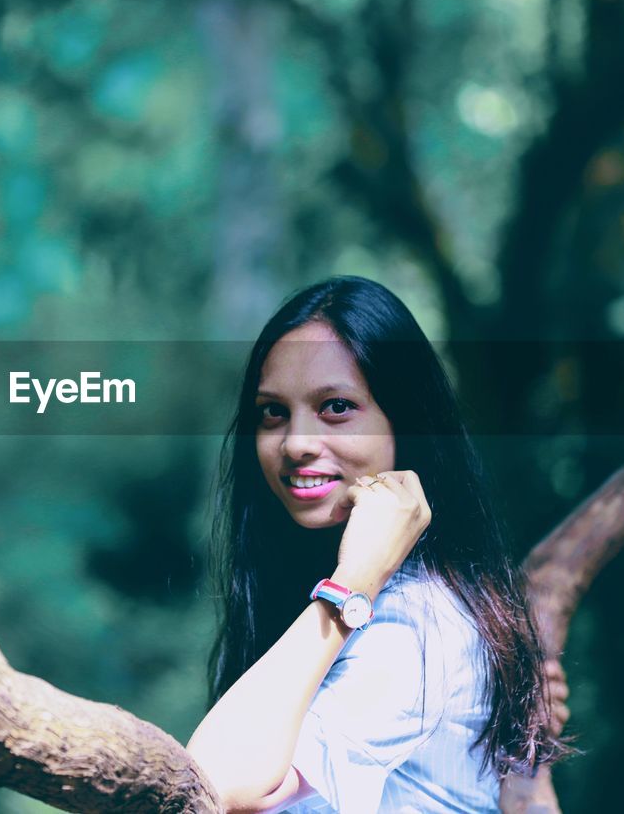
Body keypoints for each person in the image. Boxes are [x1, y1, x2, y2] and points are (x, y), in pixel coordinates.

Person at [187, 276, 571, 813]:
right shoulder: (381, 605)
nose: (296, 442)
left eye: (336, 407)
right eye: (273, 412)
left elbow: (209, 784)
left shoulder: (415, 624)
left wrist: (351, 587)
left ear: (407, 425)